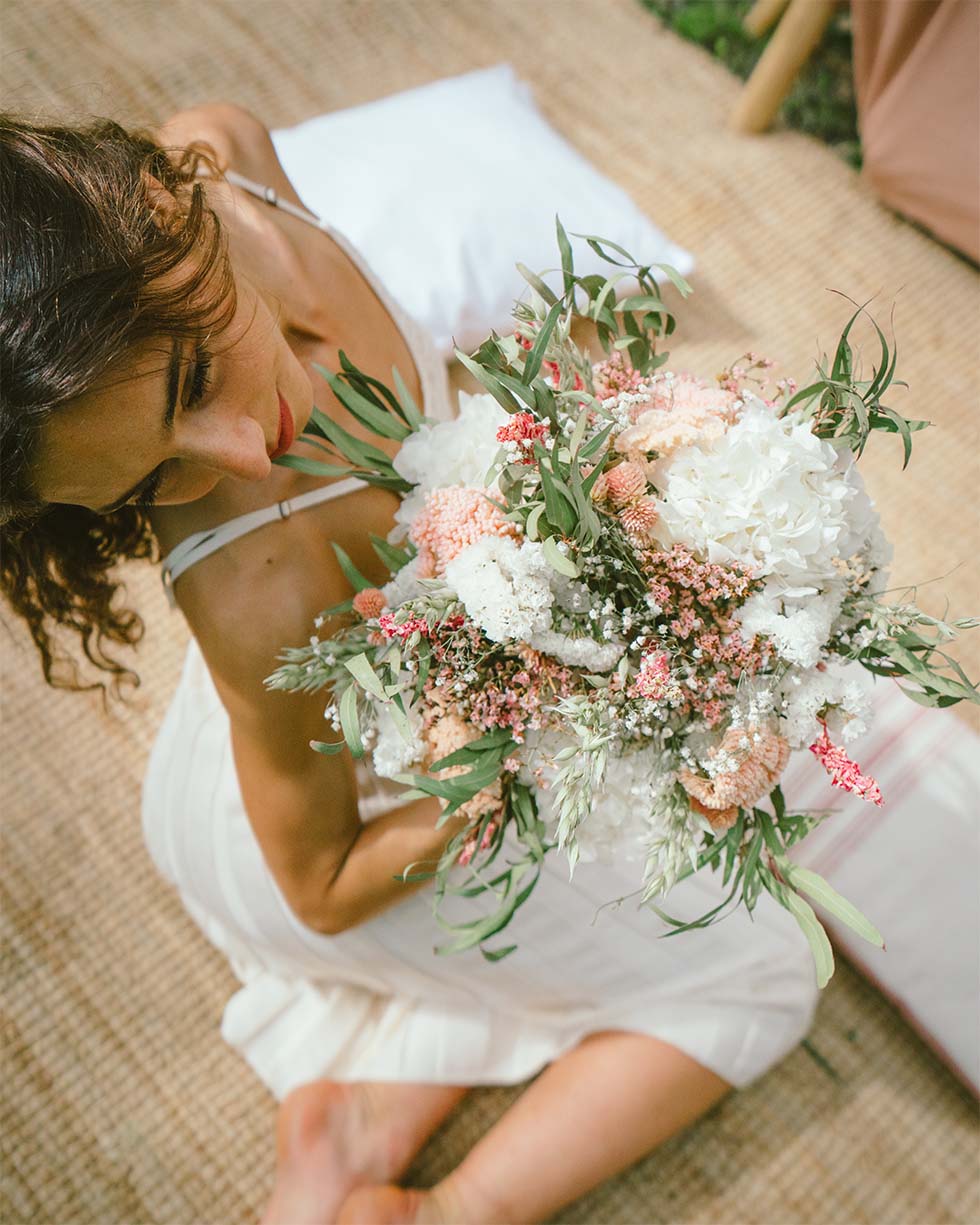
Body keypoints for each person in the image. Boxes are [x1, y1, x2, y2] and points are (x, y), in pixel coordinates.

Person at [0, 105, 818, 1225]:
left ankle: (354, 1120)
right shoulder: (251, 585)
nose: (241, 456)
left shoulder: (225, 150)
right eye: (147, 483)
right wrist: (523, 750)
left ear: (161, 206)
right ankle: (454, 1209)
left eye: (189, 381)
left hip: (345, 707)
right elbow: (323, 887)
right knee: (764, 967)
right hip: (318, 825)